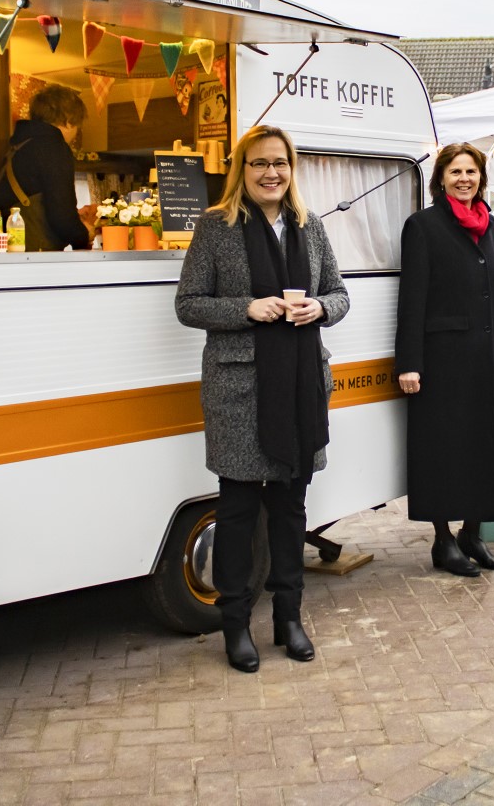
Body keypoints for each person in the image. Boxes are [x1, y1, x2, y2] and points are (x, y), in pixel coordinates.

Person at [175, 125, 349, 672]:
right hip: (239, 392)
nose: (271, 173)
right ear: (241, 171)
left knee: (291, 510)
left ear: (291, 169)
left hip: (300, 386)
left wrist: (318, 309)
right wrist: (245, 309)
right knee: (239, 513)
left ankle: (289, 619)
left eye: (280, 163)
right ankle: (235, 625)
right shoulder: (216, 227)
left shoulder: (310, 225)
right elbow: (188, 304)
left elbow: (340, 295)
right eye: (258, 164)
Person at [396, 143, 494, 577]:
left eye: (471, 171)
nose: (464, 179)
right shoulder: (422, 226)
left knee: (486, 447)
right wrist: (409, 362)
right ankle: (442, 540)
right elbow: (412, 300)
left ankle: (473, 535)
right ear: (441, 178)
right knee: (443, 449)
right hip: (443, 360)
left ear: (481, 177)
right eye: (455, 171)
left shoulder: (491, 226)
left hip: (488, 358)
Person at [0, 84, 93, 251]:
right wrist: (83, 234)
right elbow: (61, 214)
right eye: (77, 125)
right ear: (68, 120)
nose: (75, 133)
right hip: (38, 257)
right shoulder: (54, 147)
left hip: (9, 250)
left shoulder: (18, 146)